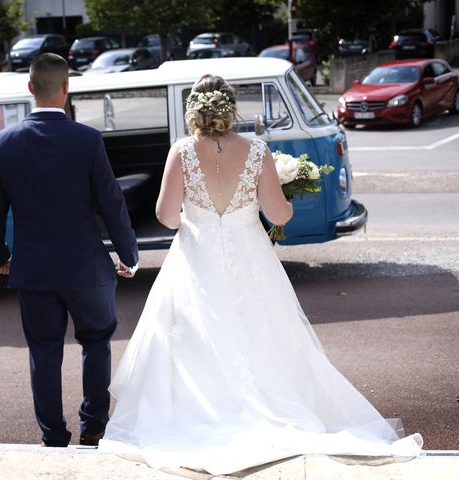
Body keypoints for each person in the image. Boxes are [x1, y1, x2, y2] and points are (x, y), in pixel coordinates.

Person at [98, 74, 422, 474]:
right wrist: (283, 190)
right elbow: (280, 214)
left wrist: (191, 219)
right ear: (232, 108)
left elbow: (165, 217)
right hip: (249, 254)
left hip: (195, 257)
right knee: (262, 329)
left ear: (194, 109)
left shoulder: (181, 151)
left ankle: (200, 413)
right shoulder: (256, 150)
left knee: (194, 335)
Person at [0, 53, 139, 447]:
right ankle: (94, 425)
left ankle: (53, 434)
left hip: (34, 269)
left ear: (30, 88)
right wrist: (128, 253)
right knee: (97, 343)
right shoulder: (87, 140)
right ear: (67, 89)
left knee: (44, 352)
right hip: (86, 267)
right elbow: (111, 201)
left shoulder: (3, 144)